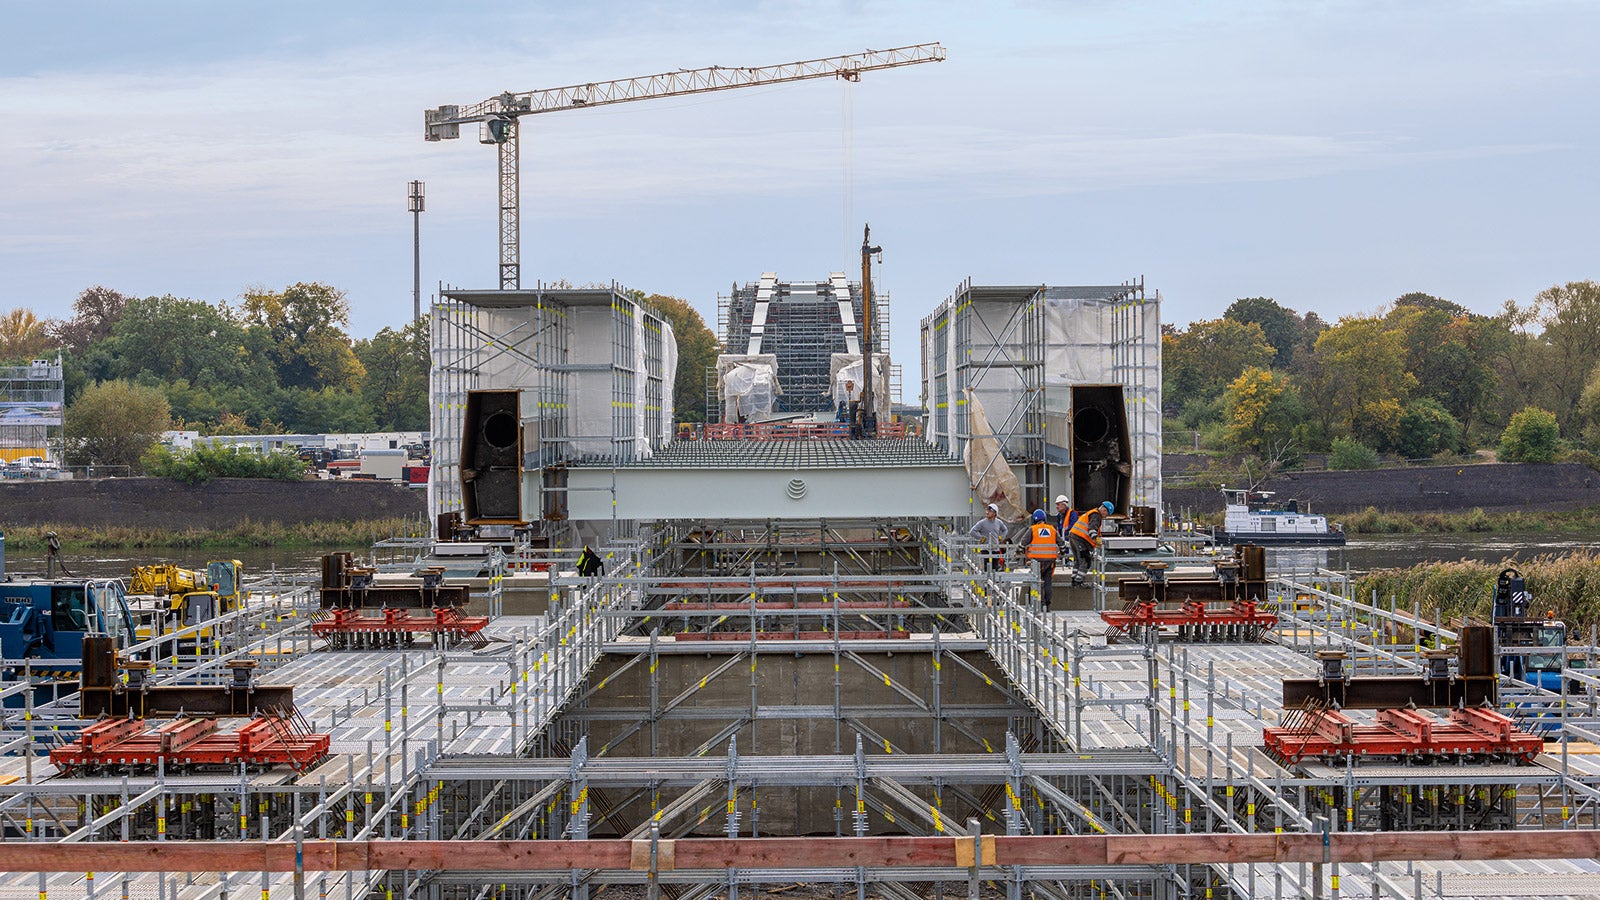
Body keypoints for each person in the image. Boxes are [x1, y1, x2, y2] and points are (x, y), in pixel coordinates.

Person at [1016, 509, 1059, 611]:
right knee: (1047, 581)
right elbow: (1061, 543)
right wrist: (1061, 551)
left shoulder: (1033, 529)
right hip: (1050, 561)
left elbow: (1023, 543)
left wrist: (1019, 550)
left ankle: (1039, 604)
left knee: (1036, 582)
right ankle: (1047, 606)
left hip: (1036, 561)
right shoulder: (1052, 529)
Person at [1068, 501, 1115, 586]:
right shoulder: (1096, 515)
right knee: (1086, 560)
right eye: (1106, 514)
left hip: (1074, 537)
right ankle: (1079, 582)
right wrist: (1096, 540)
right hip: (1080, 539)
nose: (1105, 517)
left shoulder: (1092, 513)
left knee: (1078, 560)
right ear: (1104, 510)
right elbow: (1092, 530)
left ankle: (1074, 580)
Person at [968, 503, 1007, 572]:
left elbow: (1005, 530)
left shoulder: (998, 522)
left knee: (995, 568)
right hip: (985, 549)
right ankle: (987, 581)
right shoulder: (982, 523)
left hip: (995, 548)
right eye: (987, 510)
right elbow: (972, 531)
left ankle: (994, 581)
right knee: (986, 568)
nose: (987, 512)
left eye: (990, 511)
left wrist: (1001, 537)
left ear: (995, 513)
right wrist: (980, 538)